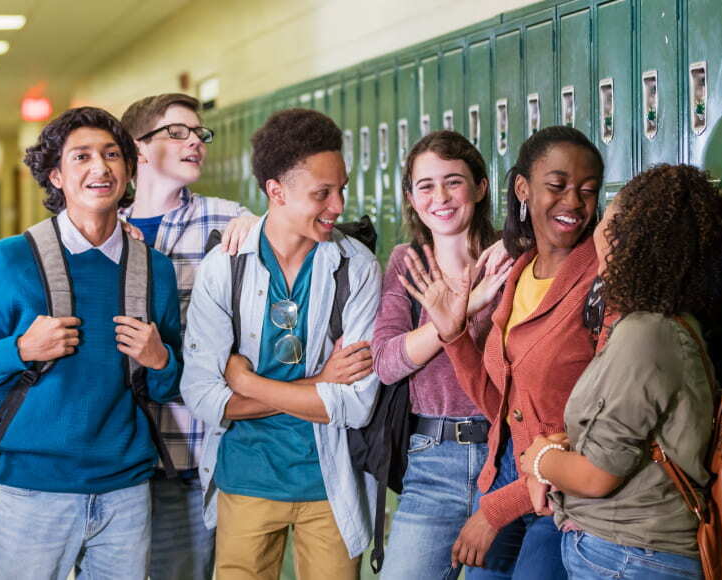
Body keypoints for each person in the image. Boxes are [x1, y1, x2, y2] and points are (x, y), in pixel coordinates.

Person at [0, 106, 183, 579]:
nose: (100, 168)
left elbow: (172, 387)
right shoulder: (10, 261)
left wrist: (160, 360)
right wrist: (21, 350)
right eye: (82, 156)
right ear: (56, 175)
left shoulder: (155, 270)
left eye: (113, 155)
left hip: (125, 492)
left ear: (129, 170)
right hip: (31, 491)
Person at [180, 108, 382, 580]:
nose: (338, 205)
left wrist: (247, 382)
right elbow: (204, 396)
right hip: (246, 480)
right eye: (322, 193)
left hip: (329, 484)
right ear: (276, 191)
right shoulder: (224, 268)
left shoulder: (358, 268)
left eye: (342, 188)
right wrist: (317, 386)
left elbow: (355, 405)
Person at [400, 126, 605, 578]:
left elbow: (601, 432)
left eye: (587, 191)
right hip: (507, 472)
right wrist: (453, 335)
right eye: (557, 186)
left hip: (562, 495)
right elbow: (502, 406)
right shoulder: (519, 271)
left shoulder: (600, 280)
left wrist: (494, 510)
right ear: (522, 189)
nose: (572, 202)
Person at [519, 164, 722, 580]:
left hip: (630, 558)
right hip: (626, 554)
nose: (600, 228)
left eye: (611, 218)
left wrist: (537, 459)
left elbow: (598, 476)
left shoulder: (646, 334)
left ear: (629, 239)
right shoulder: (658, 325)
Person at [119, 92, 259, 580]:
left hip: (190, 446)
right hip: (115, 448)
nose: (195, 142)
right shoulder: (100, 227)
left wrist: (259, 225)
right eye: (177, 132)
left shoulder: (230, 221)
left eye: (199, 133)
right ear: (136, 148)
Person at [373, 130, 511, 580]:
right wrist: (460, 313)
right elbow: (388, 362)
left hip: (505, 457)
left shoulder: (512, 261)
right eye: (425, 186)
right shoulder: (406, 263)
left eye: (453, 181)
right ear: (411, 198)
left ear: (481, 187)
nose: (441, 197)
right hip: (433, 459)